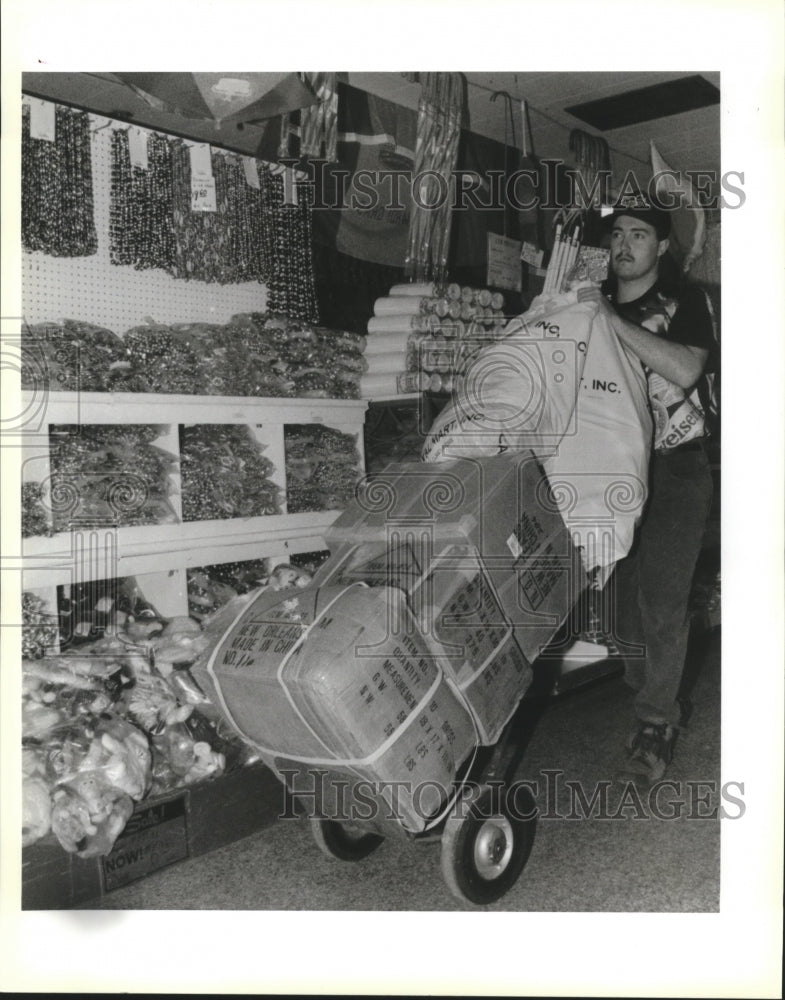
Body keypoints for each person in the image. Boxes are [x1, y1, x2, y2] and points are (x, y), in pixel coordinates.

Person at [577, 195, 717, 786]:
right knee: (617, 598)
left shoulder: (686, 301)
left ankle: (656, 722)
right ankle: (652, 688)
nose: (624, 245)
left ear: (662, 245)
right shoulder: (592, 304)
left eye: (639, 234)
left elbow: (686, 370)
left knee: (662, 598)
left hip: (676, 467)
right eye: (617, 235)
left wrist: (606, 321)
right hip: (608, 468)